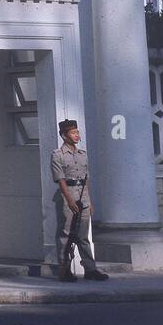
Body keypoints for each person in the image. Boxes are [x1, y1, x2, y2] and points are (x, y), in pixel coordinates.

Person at [50, 119, 108, 282]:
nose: (77, 135)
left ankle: (90, 269)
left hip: (83, 197)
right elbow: (60, 179)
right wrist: (69, 200)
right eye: (73, 133)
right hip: (67, 196)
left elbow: (86, 179)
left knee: (83, 236)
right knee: (66, 234)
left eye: (77, 132)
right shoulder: (58, 154)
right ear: (64, 135)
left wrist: (90, 202)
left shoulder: (83, 154)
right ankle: (65, 270)